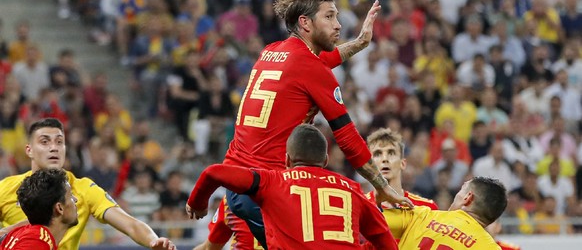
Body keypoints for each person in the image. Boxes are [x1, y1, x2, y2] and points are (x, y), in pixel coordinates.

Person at [218, 0, 412, 248]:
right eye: (329, 17)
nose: (338, 25)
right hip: (268, 188)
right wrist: (383, 186)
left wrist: (360, 43)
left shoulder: (271, 51)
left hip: (240, 182)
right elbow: (347, 139)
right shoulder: (311, 69)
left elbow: (319, 63)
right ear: (305, 23)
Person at [186, 124, 398, 250]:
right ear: (325, 160)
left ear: (286, 159)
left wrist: (197, 203)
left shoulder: (269, 183)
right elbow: (385, 240)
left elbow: (214, 173)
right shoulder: (352, 189)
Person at [0, 118, 175, 250]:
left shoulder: (82, 188)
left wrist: (153, 240)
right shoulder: (7, 187)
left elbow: (130, 224)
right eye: (45, 142)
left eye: (59, 142)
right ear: (29, 149)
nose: (54, 148)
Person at [373, 177, 507, 250]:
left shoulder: (421, 215)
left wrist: (377, 198)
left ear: (468, 198)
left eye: (461, 190)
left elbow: (368, 218)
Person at [0, 169, 77, 250]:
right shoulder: (38, 242)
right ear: (59, 208)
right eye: (71, 196)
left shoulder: (27, 233)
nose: (76, 200)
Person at [366, 128, 438, 210]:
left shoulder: (426, 207)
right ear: (369, 166)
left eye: (391, 153)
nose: (385, 159)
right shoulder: (359, 206)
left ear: (403, 164)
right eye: (378, 154)